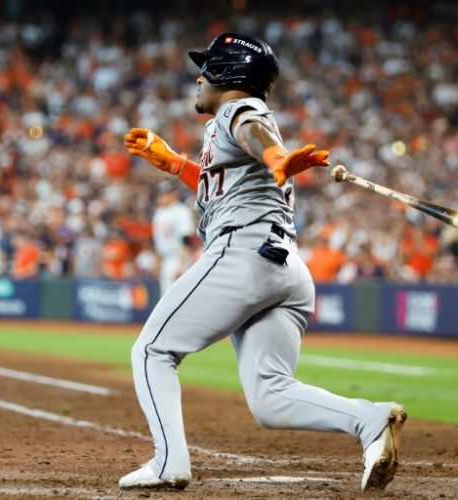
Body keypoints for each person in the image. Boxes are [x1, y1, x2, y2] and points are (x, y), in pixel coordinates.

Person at [121, 32, 406, 493]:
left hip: (243, 255)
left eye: (207, 67)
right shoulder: (224, 128)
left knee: (152, 351)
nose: (199, 76)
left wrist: (276, 156)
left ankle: (169, 461)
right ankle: (369, 421)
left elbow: (257, 132)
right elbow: (229, 180)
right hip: (286, 270)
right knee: (270, 397)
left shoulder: (238, 110)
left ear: (229, 73)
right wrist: (175, 163)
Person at [152, 181, 196, 295]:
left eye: (167, 193)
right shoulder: (159, 212)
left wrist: (181, 264)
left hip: (178, 256)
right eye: (161, 194)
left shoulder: (181, 210)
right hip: (165, 259)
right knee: (165, 296)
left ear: (174, 194)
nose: (163, 197)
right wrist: (157, 262)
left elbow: (186, 238)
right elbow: (157, 240)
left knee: (179, 296)